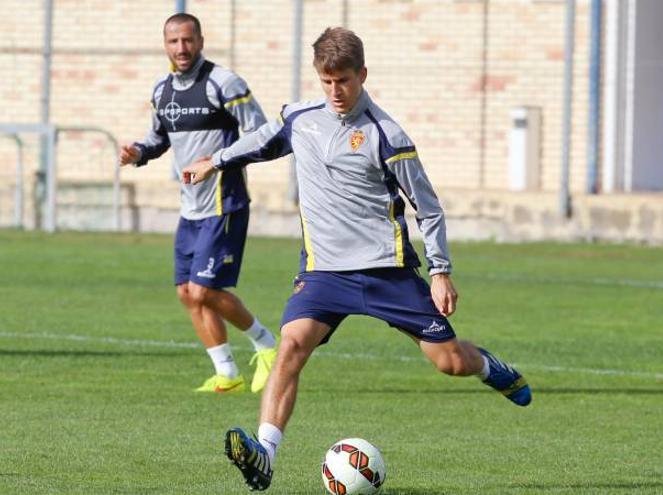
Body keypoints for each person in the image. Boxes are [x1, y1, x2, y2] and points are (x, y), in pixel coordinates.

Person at [183, 27, 532, 490]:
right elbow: (262, 142)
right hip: (324, 272)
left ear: (362, 74)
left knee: (450, 362)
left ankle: (490, 368)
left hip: (387, 271)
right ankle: (265, 454)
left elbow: (427, 207)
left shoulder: (387, 135)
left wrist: (441, 271)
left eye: (343, 81)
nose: (335, 92)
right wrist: (217, 160)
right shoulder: (300, 118)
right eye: (327, 82)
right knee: (289, 348)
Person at [120, 13, 277, 394]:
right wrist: (136, 153)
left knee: (205, 290)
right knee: (186, 293)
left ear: (201, 41)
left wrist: (217, 163)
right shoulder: (162, 91)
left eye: (188, 40)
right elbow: (157, 140)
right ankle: (226, 373)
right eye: (173, 42)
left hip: (225, 204)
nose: (181, 48)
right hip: (190, 209)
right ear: (165, 45)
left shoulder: (224, 83)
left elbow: (262, 135)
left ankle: (267, 345)